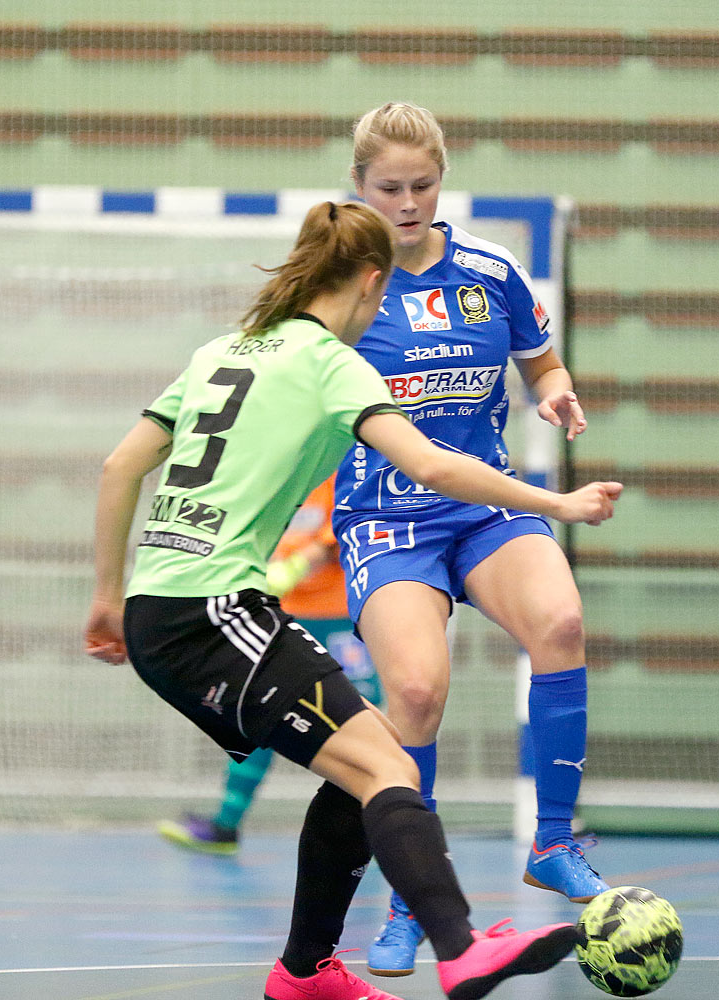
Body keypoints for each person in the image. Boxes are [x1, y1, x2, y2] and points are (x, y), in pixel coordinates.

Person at [83, 199, 622, 1000]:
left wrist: (105, 596)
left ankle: (306, 973)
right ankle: (461, 947)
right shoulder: (332, 364)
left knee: (362, 763)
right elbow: (433, 467)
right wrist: (559, 505)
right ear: (372, 282)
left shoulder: (221, 351)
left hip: (164, 602)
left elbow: (120, 467)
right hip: (213, 611)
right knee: (386, 763)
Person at [337, 102, 611, 977]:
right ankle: (411, 903)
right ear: (359, 187)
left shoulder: (490, 270)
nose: (409, 202)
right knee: (414, 691)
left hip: (484, 505)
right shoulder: (339, 292)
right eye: (390, 188)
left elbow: (542, 361)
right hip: (387, 519)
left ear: (441, 181)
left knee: (560, 624)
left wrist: (556, 391)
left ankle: (553, 840)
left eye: (423, 185)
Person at [158, 475, 386, 855]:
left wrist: (298, 564)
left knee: (360, 718)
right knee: (258, 715)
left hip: (337, 615)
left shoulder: (344, 474)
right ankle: (225, 826)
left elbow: (341, 533)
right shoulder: (287, 478)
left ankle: (380, 824)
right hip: (282, 614)